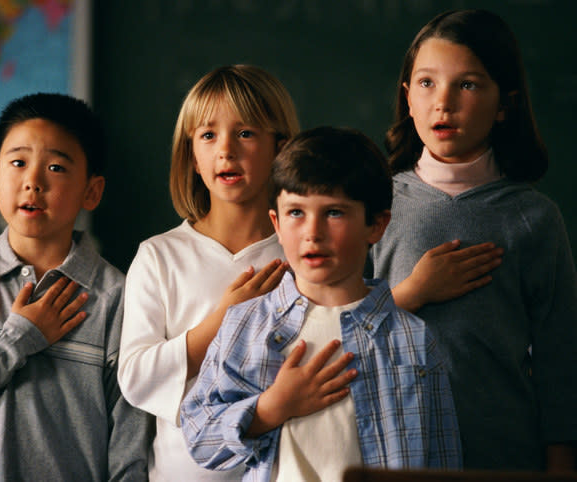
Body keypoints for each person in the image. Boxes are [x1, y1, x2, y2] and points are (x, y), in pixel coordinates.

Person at [180, 126, 462, 482]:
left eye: (334, 213)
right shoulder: (247, 324)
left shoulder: (411, 338)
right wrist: (269, 409)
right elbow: (199, 437)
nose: (313, 232)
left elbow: (443, 460)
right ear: (277, 224)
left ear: (376, 225)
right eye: (296, 212)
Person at [118, 65, 357, 481]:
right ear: (192, 155)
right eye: (208, 136)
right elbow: (136, 377)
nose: (225, 150)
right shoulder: (159, 257)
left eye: (245, 133)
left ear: (280, 147)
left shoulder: (307, 250)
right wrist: (222, 319)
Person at [371, 9, 577, 471]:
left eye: (467, 85)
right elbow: (332, 327)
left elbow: (560, 358)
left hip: (504, 458)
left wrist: (562, 463)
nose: (442, 102)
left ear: (505, 104)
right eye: (426, 83)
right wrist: (411, 294)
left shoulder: (533, 218)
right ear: (407, 98)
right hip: (391, 458)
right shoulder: (370, 204)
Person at [0, 93, 152, 481]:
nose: (32, 182)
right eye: (18, 162)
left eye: (55, 167)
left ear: (92, 191)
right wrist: (19, 338)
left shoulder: (117, 295)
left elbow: (129, 432)